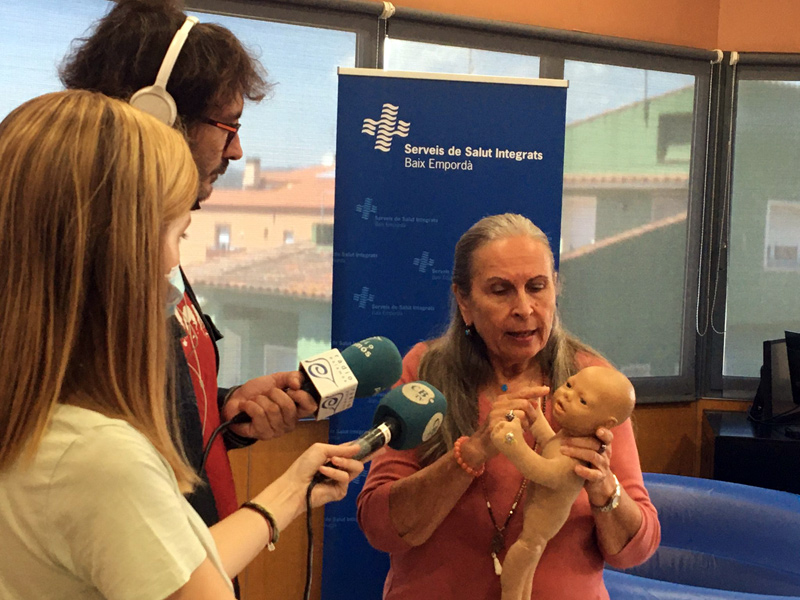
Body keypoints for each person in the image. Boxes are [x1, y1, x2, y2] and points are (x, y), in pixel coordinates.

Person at [0, 90, 363, 600]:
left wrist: (288, 492)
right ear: (119, 255)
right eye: (179, 233)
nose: (175, 266)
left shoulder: (38, 422)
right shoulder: (102, 460)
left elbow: (174, 567)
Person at [59, 0, 318, 528]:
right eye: (229, 125)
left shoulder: (158, 251)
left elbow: (162, 421)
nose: (239, 151)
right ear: (158, 115)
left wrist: (226, 411)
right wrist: (282, 502)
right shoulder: (73, 285)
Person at [357, 213, 660, 600]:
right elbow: (379, 526)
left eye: (537, 287)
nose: (524, 308)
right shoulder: (423, 372)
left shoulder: (595, 384)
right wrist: (470, 454)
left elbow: (637, 548)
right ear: (464, 302)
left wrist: (603, 487)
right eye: (500, 290)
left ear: (556, 289)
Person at [490, 366, 637, 600]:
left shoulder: (582, 455)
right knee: (527, 569)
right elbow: (549, 443)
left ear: (606, 423)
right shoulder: (568, 436)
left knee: (520, 560)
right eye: (569, 385)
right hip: (537, 515)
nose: (567, 395)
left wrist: (513, 443)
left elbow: (544, 471)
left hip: (540, 527)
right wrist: (535, 414)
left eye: (582, 401)